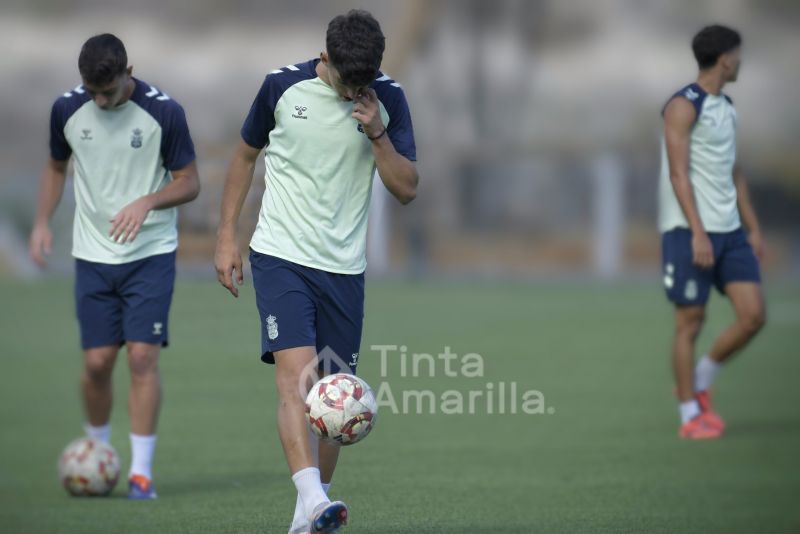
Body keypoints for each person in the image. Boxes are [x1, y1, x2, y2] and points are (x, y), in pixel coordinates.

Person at [214, 9, 417, 532]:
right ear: (325, 58)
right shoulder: (281, 87)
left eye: (363, 82)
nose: (355, 92)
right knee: (298, 382)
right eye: (348, 82)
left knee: (336, 400)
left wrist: (378, 135)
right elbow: (243, 157)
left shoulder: (386, 99)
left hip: (344, 269)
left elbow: (408, 188)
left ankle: (310, 511)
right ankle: (310, 497)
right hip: (281, 255)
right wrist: (225, 238)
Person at [29, 33, 200, 497]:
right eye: (92, 92)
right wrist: (42, 221)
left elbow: (190, 182)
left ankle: (141, 473)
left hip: (150, 254)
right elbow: (55, 166)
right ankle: (96, 452)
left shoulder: (165, 112)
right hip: (92, 256)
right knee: (98, 363)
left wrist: (148, 202)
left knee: (142, 357)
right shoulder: (67, 109)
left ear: (130, 71)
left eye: (108, 91)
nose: (100, 101)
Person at [659, 25, 765, 440]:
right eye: (738, 54)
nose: (741, 61)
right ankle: (690, 415)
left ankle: (700, 379)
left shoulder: (729, 105)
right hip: (690, 232)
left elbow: (733, 172)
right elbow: (677, 173)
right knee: (690, 321)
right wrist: (698, 233)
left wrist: (752, 227)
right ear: (725, 59)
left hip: (731, 233)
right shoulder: (683, 106)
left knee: (753, 316)